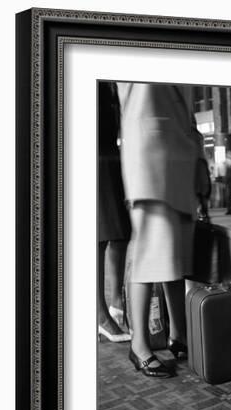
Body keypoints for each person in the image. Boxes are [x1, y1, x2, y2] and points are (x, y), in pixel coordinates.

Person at [118, 82, 209, 378]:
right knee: (150, 252)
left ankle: (179, 335)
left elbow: (186, 111)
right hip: (149, 156)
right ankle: (140, 344)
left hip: (181, 158)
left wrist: (200, 159)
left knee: (176, 255)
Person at [97, 81, 131, 343]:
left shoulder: (111, 84)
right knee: (98, 238)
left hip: (113, 155)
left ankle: (117, 305)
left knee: (120, 234)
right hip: (93, 156)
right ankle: (99, 315)